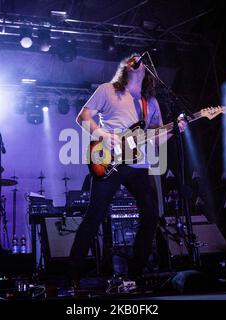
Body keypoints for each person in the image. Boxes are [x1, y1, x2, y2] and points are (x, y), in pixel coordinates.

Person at [69, 53, 187, 286]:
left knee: (152, 215)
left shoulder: (150, 102)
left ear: (146, 70)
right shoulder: (107, 90)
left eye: (140, 59)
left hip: (138, 164)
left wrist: (175, 130)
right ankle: (70, 277)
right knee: (94, 217)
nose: (136, 58)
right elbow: (82, 117)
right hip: (108, 161)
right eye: (132, 57)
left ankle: (134, 274)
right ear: (125, 66)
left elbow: (155, 139)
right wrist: (102, 134)